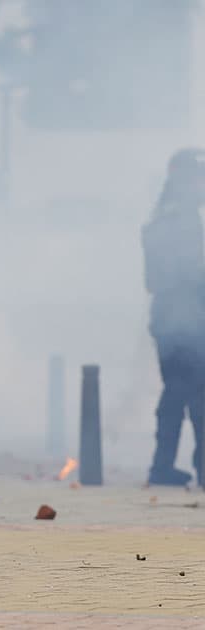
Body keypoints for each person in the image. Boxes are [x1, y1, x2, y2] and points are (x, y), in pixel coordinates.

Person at [141, 147, 205, 486]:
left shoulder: (170, 214)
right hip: (184, 317)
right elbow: (187, 271)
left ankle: (163, 466)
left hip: (176, 316)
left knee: (180, 392)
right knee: (193, 393)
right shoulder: (179, 218)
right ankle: (170, 467)